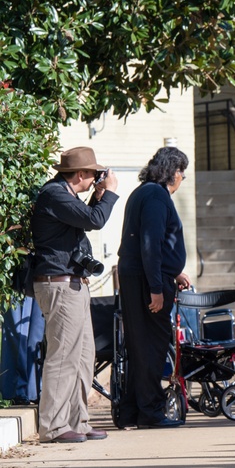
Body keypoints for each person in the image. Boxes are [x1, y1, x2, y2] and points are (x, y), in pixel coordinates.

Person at [31, 146, 119, 443]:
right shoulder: (54, 194)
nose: (97, 178)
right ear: (81, 174)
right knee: (63, 356)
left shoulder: (65, 195)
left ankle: (77, 422)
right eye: (93, 174)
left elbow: (87, 217)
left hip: (74, 283)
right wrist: (109, 192)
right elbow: (95, 220)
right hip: (58, 284)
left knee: (83, 356)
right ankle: (53, 427)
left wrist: (97, 195)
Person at [117, 146, 190, 429]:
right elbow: (150, 244)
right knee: (151, 347)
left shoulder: (143, 192)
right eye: (182, 172)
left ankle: (131, 412)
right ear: (172, 172)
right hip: (148, 281)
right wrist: (157, 288)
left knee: (139, 346)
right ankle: (150, 412)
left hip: (141, 275)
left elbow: (152, 244)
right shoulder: (158, 196)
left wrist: (175, 270)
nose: (182, 179)